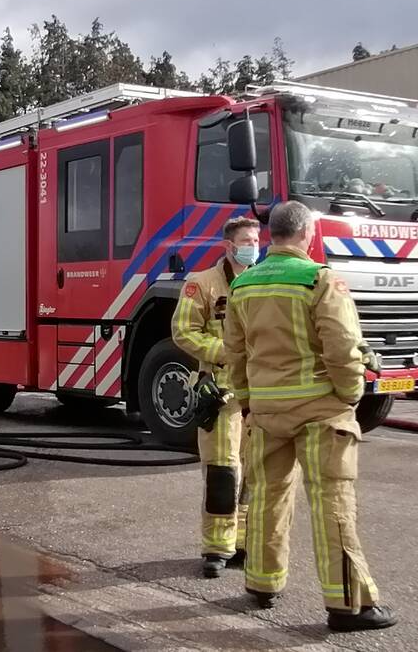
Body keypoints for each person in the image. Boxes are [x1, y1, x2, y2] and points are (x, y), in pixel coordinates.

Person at [224, 200, 396, 632]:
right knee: (332, 502)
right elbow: (342, 347)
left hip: (266, 410)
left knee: (267, 497)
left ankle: (262, 583)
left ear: (271, 236)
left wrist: (247, 401)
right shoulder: (320, 280)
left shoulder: (243, 285)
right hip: (321, 409)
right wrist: (350, 395)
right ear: (307, 234)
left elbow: (235, 354)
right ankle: (348, 605)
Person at [171, 216, 260, 578]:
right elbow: (183, 331)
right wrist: (226, 352)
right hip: (220, 391)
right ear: (229, 245)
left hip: (257, 391)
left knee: (254, 471)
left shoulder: (262, 281)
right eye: (246, 241)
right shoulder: (202, 284)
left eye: (256, 240)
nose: (253, 247)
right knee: (222, 470)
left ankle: (244, 543)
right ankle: (216, 548)